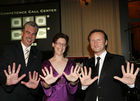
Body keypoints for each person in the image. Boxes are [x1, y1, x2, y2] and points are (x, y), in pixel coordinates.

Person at [78, 29, 140, 101]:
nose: (95, 43)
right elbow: (80, 91)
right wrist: (83, 86)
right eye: (92, 40)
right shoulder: (86, 63)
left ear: (106, 42)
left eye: (99, 40)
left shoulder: (118, 60)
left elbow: (134, 85)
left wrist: (131, 84)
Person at [0, 21, 43, 101]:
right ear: (22, 33)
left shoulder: (38, 54)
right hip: (9, 97)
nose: (30, 36)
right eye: (28, 32)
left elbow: (36, 79)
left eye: (33, 34)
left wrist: (35, 88)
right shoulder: (8, 50)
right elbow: (1, 72)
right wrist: (6, 82)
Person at [39, 33, 80, 101]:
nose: (61, 46)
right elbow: (46, 89)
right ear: (53, 44)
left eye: (64, 44)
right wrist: (47, 84)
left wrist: (73, 82)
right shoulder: (45, 64)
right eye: (59, 43)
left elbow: (72, 90)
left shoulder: (71, 64)